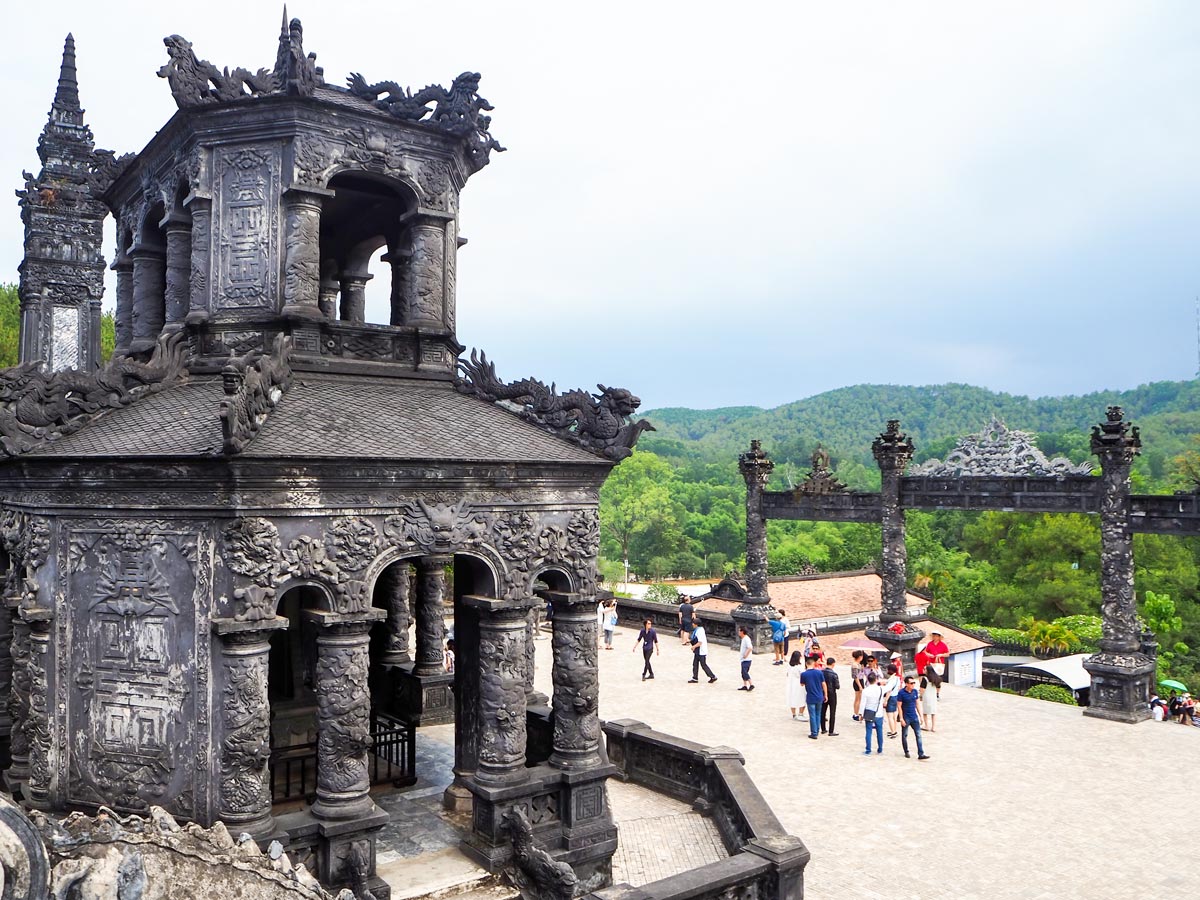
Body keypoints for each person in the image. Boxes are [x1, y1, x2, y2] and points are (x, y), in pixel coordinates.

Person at [896, 674, 930, 759]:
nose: (913, 685)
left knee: (918, 735)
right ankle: (906, 751)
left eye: (914, 683)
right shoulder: (901, 693)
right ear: (906, 684)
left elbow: (917, 704)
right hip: (906, 717)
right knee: (905, 735)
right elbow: (899, 706)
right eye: (911, 683)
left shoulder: (915, 692)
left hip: (914, 716)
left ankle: (921, 753)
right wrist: (901, 718)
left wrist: (921, 716)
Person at [800, 656, 828, 739]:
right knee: (818, 713)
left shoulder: (804, 674)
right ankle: (817, 729)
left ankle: (814, 732)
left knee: (812, 715)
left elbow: (802, 684)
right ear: (813, 663)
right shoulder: (819, 672)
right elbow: (824, 684)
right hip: (819, 696)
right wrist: (825, 694)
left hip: (810, 697)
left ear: (806, 664)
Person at [860, 671, 885, 754]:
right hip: (879, 712)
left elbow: (863, 703)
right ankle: (880, 748)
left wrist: (861, 714)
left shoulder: (865, 691)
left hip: (869, 712)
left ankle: (868, 749)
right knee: (879, 731)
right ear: (876, 679)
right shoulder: (881, 689)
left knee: (868, 731)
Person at [883, 661, 902, 739]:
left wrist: (885, 701)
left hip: (891, 698)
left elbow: (889, 691)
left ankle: (893, 732)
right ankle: (894, 730)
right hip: (896, 696)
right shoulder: (897, 678)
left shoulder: (892, 680)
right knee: (894, 715)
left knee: (890, 716)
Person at [821, 657, 840, 735]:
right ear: (833, 664)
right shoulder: (834, 674)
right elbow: (837, 686)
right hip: (832, 694)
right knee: (832, 712)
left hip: (823, 693)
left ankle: (823, 728)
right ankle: (831, 730)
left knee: (823, 711)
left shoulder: (822, 672)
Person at [786, 650, 806, 719]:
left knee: (792, 698)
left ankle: (794, 714)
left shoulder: (789, 666)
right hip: (799, 684)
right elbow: (803, 675)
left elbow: (787, 674)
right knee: (802, 698)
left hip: (791, 683)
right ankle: (801, 713)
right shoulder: (799, 666)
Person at [920, 667, 940, 731]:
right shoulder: (936, 679)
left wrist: (920, 696)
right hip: (933, 697)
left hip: (926, 697)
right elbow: (938, 687)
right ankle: (933, 727)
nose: (924, 670)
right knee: (933, 712)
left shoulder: (925, 679)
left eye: (925, 669)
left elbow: (922, 689)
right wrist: (937, 694)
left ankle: (926, 726)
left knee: (925, 712)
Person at [738, 626, 755, 691]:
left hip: (747, 659)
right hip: (744, 659)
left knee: (744, 672)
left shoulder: (746, 639)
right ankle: (745, 685)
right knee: (743, 672)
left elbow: (750, 647)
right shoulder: (744, 638)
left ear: (742, 632)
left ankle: (751, 684)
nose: (738, 632)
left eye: (739, 631)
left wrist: (746, 654)